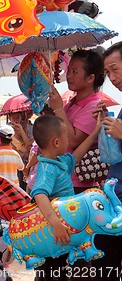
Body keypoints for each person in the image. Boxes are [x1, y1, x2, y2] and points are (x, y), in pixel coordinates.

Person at [30, 115, 102, 281]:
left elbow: (76, 156)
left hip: (60, 230)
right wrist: (56, 224)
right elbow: (39, 194)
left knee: (60, 270)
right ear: (56, 142)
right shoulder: (47, 168)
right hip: (52, 232)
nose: (69, 140)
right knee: (51, 272)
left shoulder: (59, 162)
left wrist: (95, 131)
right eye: (67, 137)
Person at [48, 49, 106, 194]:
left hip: (78, 183)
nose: (69, 76)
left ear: (90, 78)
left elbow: (73, 141)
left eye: (75, 72)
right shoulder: (71, 103)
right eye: (68, 71)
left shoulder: (94, 106)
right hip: (62, 177)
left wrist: (58, 110)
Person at [91, 41, 122, 281]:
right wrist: (105, 125)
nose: (111, 78)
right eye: (108, 72)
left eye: (115, 69)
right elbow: (113, 155)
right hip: (116, 197)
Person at [8, 110, 34, 191]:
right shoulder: (8, 129)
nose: (16, 120)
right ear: (9, 118)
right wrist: (21, 154)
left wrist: (22, 129)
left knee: (24, 179)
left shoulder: (25, 126)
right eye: (13, 118)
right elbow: (10, 144)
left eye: (18, 117)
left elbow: (28, 143)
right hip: (16, 157)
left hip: (26, 157)